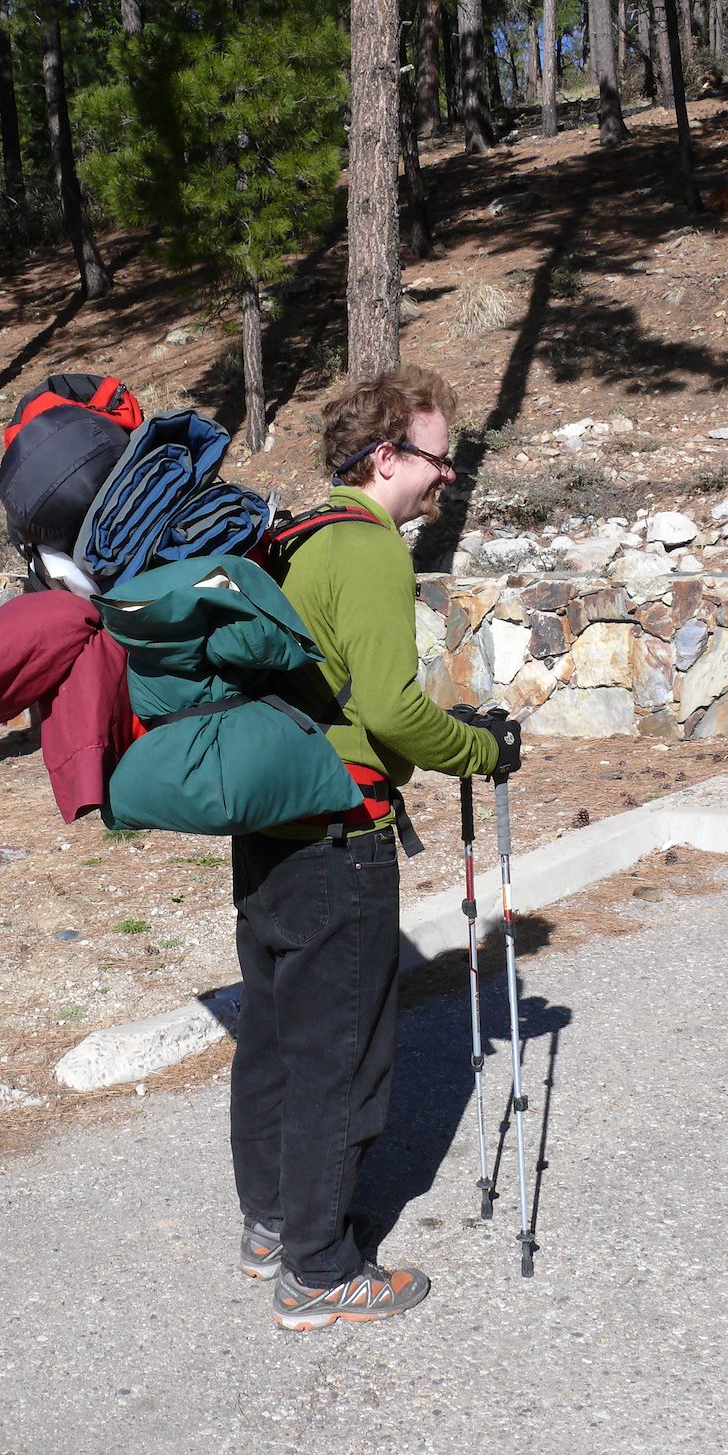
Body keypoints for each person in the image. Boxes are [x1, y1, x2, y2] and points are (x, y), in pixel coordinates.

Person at [228, 365, 523, 1332]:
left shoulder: (299, 542)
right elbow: (394, 714)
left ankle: (274, 1224)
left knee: (274, 1037)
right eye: (440, 458)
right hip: (340, 838)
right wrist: (480, 746)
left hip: (270, 829)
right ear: (388, 454)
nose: (448, 478)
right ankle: (319, 1270)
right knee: (341, 1058)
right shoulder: (368, 552)